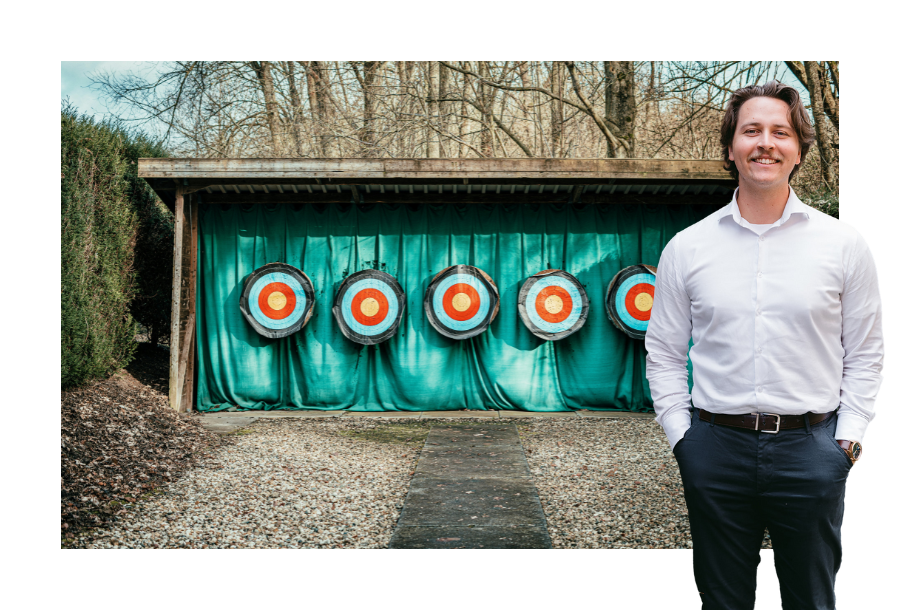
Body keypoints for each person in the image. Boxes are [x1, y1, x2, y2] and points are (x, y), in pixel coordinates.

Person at [644, 81, 883, 610]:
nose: (765, 143)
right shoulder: (688, 248)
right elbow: (662, 353)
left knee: (811, 601)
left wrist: (847, 443)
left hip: (813, 449)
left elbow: (865, 352)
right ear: (731, 147)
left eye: (781, 132)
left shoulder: (843, 245)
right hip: (714, 449)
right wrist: (684, 441)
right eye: (751, 130)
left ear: (798, 149)